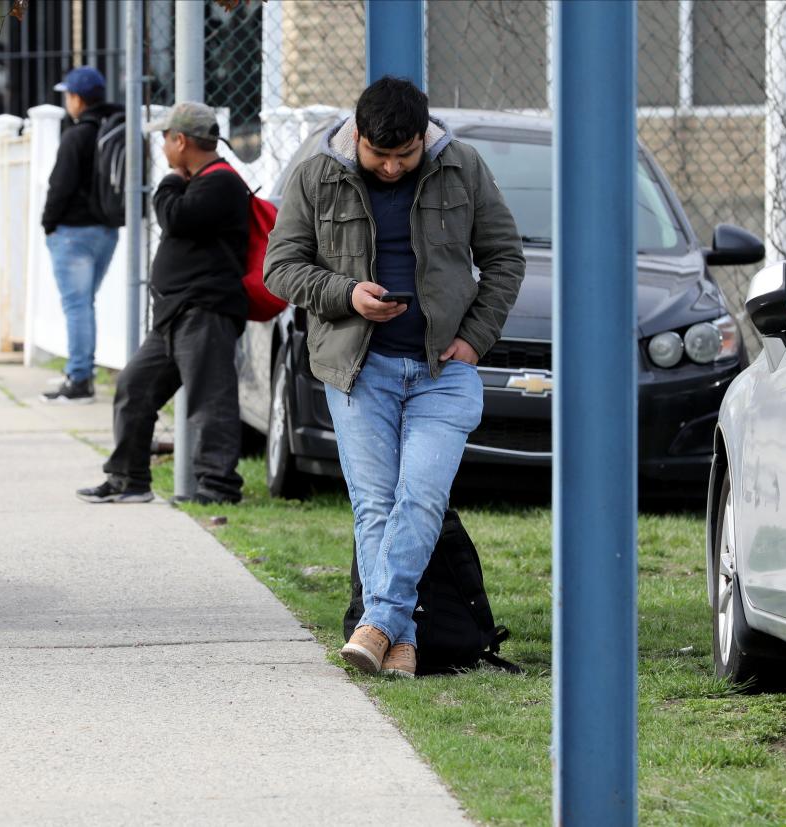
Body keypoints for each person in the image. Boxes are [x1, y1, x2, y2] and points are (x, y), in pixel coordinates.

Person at [263, 77, 526, 677]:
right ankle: (400, 644)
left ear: (423, 138)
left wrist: (475, 338)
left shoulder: (462, 166)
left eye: (403, 155)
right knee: (375, 506)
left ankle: (378, 623)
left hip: (444, 370)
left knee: (422, 497)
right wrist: (345, 295)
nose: (389, 167)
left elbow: (505, 256)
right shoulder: (316, 173)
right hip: (359, 370)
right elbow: (279, 268)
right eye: (378, 154)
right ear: (357, 134)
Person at [77, 102, 248, 505]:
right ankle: (128, 478)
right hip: (175, 314)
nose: (163, 149)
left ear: (181, 140)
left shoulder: (221, 181)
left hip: (204, 310)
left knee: (210, 401)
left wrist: (170, 182)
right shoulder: (201, 180)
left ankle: (218, 488)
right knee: (134, 387)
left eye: (165, 139)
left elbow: (176, 217)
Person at [40, 66, 122, 404]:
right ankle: (81, 372)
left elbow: (60, 185)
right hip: (107, 231)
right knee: (84, 305)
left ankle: (79, 380)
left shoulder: (76, 136)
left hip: (73, 233)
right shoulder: (115, 128)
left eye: (68, 95)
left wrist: (49, 223)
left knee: (76, 306)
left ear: (78, 99)